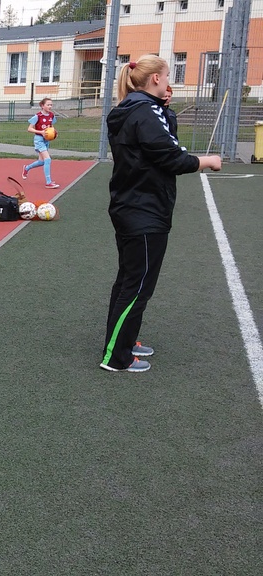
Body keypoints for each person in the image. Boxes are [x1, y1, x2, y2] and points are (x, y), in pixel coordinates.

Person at [100, 55, 222, 373]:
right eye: (167, 76)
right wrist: (207, 161)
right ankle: (116, 356)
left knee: (130, 281)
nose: (169, 82)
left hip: (137, 206)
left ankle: (124, 341)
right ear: (155, 78)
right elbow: (172, 156)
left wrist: (165, 109)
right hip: (143, 209)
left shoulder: (139, 109)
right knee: (136, 286)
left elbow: (161, 144)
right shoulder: (144, 111)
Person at [22, 97, 60, 189]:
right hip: (39, 140)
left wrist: (54, 133)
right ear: (42, 106)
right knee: (48, 159)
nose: (50, 106)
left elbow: (51, 126)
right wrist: (41, 132)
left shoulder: (51, 115)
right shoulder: (37, 116)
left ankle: (26, 168)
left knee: (41, 162)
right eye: (48, 105)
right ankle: (48, 182)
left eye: (51, 105)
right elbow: (29, 129)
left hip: (46, 140)